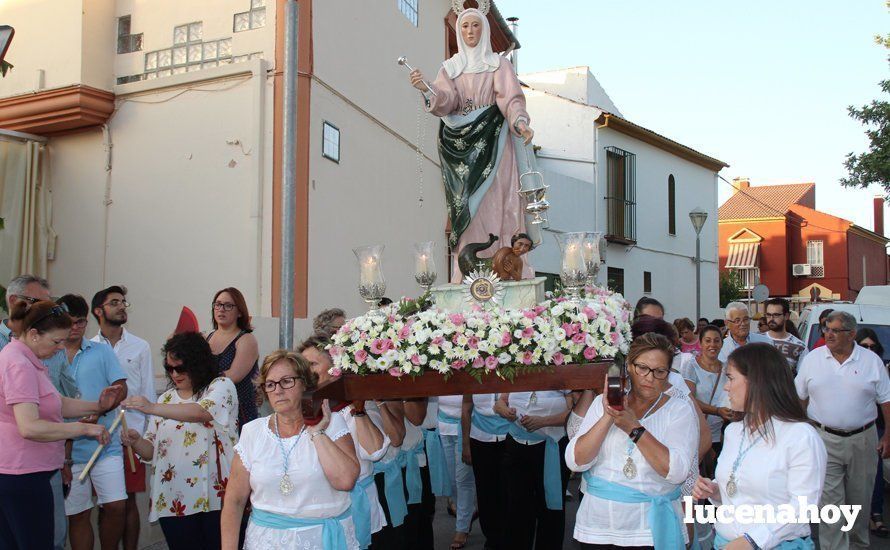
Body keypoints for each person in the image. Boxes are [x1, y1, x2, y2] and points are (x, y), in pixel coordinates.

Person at [409, 6, 535, 283]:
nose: (470, 32)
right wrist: (426, 88)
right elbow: (445, 100)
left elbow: (511, 99)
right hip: (460, 148)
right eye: (465, 27)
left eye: (475, 26)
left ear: (485, 30)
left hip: (494, 143)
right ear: (458, 30)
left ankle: (506, 271)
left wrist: (520, 122)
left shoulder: (498, 65)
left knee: (498, 204)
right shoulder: (450, 68)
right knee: (466, 209)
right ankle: (466, 276)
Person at [0, 300, 118, 550]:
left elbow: (57, 403)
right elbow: (30, 426)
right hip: (22, 474)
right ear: (33, 334)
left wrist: (98, 406)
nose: (61, 348)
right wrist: (83, 428)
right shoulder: (18, 364)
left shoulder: (29, 358)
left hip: (28, 472)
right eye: (56, 342)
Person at [566, 333, 699, 549]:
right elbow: (576, 461)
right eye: (642, 368)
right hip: (598, 527)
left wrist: (633, 428)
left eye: (659, 371)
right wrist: (610, 414)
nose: (649, 377)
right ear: (628, 366)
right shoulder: (602, 404)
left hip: (649, 531)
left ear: (668, 373)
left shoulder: (679, 410)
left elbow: (676, 471)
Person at [220, 349, 360, 549]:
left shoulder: (332, 423)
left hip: (321, 541)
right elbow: (234, 501)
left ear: (305, 384)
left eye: (286, 381)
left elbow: (346, 481)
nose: (278, 390)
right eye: (270, 384)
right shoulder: (252, 432)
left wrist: (317, 432)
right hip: (265, 541)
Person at [694, 343, 828, 549]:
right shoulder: (733, 432)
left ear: (757, 381)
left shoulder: (800, 436)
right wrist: (714, 490)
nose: (725, 387)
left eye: (730, 378)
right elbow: (739, 490)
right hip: (725, 542)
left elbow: (803, 506)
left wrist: (752, 540)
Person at [121, 332, 239, 550]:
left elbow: (202, 412)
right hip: (173, 500)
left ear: (198, 363)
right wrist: (135, 441)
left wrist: (151, 407)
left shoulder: (221, 386)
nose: (174, 374)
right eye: (169, 368)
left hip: (216, 497)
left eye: (181, 368)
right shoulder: (165, 399)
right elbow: (149, 452)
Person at [795, 310, 890, 549]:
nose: (829, 334)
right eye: (827, 329)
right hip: (824, 438)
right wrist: (800, 431)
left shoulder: (871, 361)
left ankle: (857, 544)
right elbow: (799, 398)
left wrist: (888, 435)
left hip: (863, 439)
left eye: (836, 330)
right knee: (830, 507)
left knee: (859, 501)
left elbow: (886, 401)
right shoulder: (813, 359)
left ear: (852, 334)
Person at [46, 294, 128, 550]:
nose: (76, 328)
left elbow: (121, 387)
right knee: (78, 514)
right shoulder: (49, 354)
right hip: (65, 451)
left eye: (81, 322)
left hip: (104, 444)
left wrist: (104, 408)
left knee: (116, 506)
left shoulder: (101, 350)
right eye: (70, 322)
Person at [299, 334, 390, 549]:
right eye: (302, 365)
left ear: (334, 370)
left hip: (356, 503)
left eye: (312, 363)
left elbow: (376, 452)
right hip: (318, 507)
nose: (306, 370)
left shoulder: (356, 405)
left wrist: (358, 411)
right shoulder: (299, 410)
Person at [90, 285, 154, 550]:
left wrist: (146, 435)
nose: (121, 306)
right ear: (98, 311)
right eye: (114, 302)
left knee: (128, 501)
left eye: (123, 302)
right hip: (99, 436)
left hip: (130, 435)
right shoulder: (89, 348)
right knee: (107, 504)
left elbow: (148, 392)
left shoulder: (140, 346)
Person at [495, 388, 571, 549]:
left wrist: (543, 421)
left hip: (550, 448)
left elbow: (575, 414)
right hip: (516, 446)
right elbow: (501, 401)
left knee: (550, 509)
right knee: (516, 507)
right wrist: (503, 409)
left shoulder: (563, 369)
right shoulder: (516, 366)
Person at [680, 326, 733, 474]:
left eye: (717, 341)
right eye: (708, 341)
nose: (712, 345)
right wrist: (717, 411)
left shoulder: (727, 368)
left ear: (722, 343)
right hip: (699, 434)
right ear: (701, 343)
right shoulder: (691, 366)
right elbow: (690, 399)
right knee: (699, 480)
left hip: (722, 434)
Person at [207, 287, 259, 431]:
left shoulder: (246, 339)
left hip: (238, 411)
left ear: (240, 312)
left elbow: (232, 376)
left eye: (228, 305)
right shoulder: (207, 337)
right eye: (218, 304)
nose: (221, 309)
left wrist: (199, 377)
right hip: (209, 409)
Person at [464, 393, 511, 549]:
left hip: (510, 437)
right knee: (486, 494)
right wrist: (465, 445)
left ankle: (509, 539)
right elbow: (466, 409)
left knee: (510, 492)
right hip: (480, 439)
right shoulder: (473, 372)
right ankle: (492, 540)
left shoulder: (513, 369)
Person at [856, 329, 890, 538]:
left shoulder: (882, 369)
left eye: (873, 347)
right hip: (853, 428)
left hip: (875, 426)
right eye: (864, 346)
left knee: (875, 473)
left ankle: (876, 514)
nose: (869, 350)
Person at [436, 394, 476, 549]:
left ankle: (462, 528)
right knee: (451, 481)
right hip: (443, 426)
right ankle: (467, 513)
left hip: (466, 425)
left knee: (463, 480)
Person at [1, 275, 52, 349]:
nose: (42, 309)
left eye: (46, 305)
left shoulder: (53, 345)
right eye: (35, 302)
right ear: (13, 300)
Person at [763, 297, 807, 374]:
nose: (771, 319)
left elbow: (803, 377)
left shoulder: (800, 347)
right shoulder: (755, 340)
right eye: (768, 315)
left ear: (786, 316)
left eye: (776, 315)